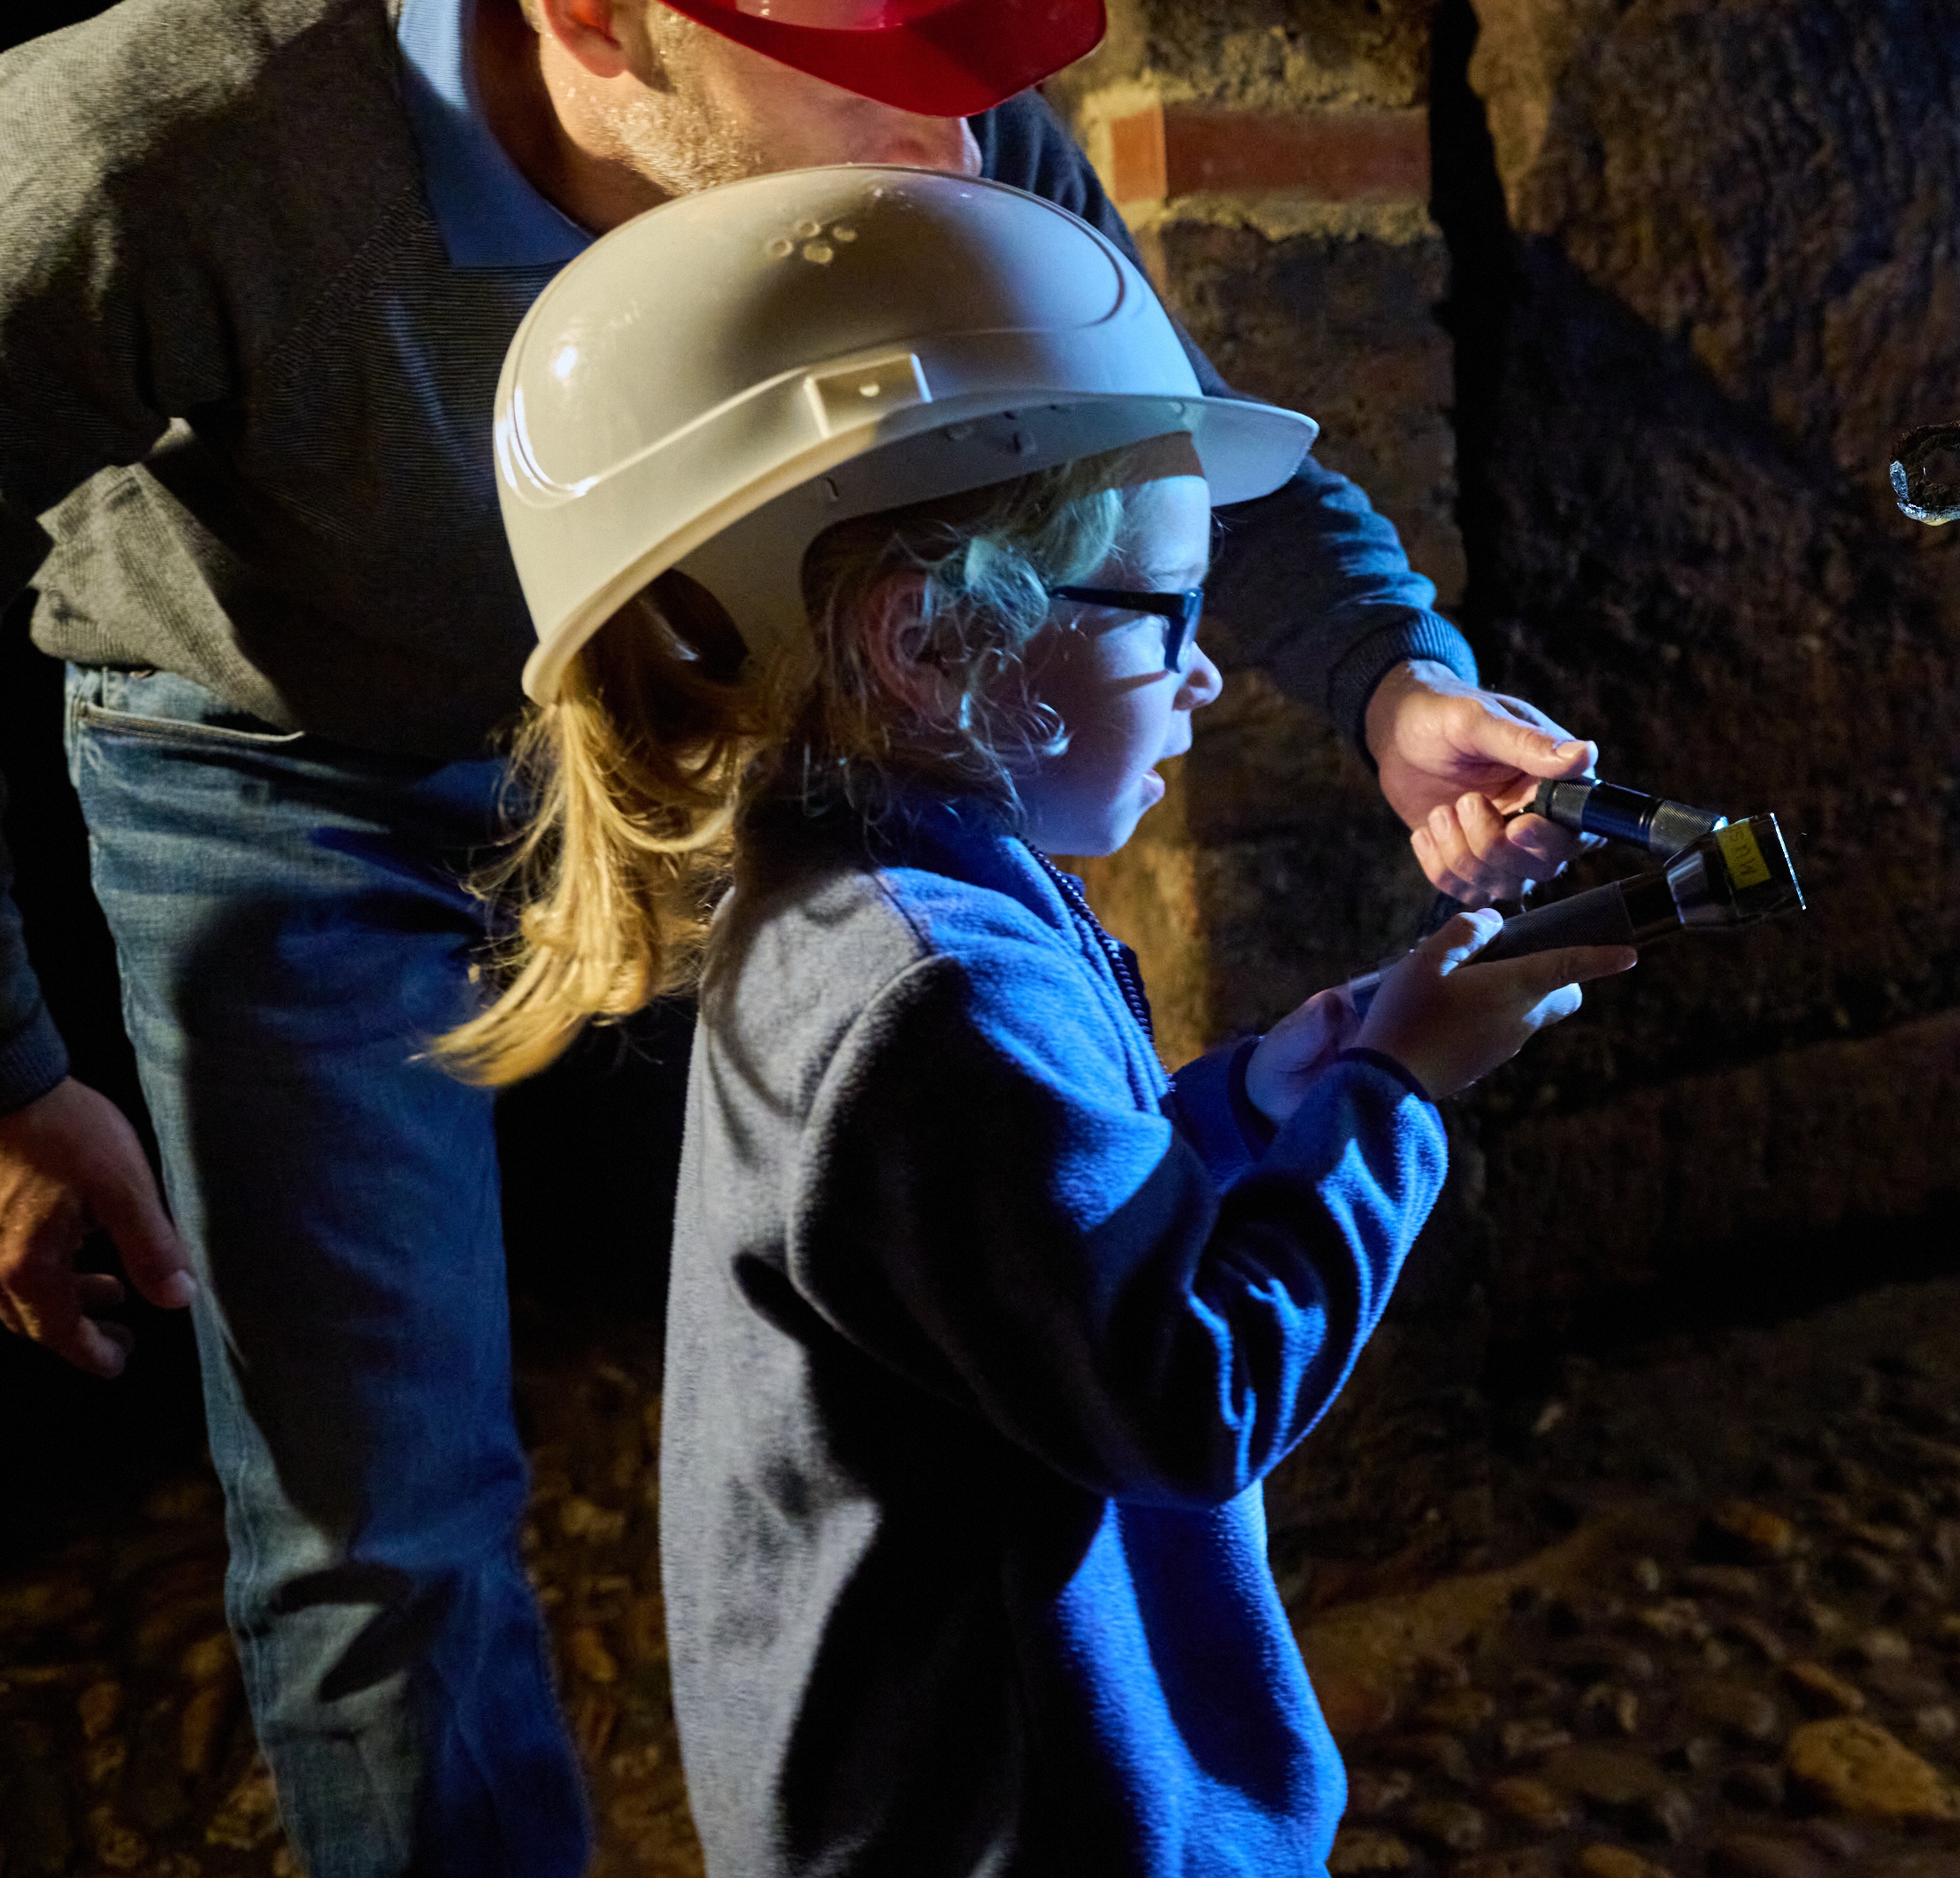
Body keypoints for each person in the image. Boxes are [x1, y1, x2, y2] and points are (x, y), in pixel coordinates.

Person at [0, 0, 1582, 1876]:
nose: (967, 141)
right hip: (280, 771)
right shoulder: (149, 166)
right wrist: (11, 1082)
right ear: (597, 6)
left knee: (818, 1364)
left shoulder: (935, 131)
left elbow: (1147, 438)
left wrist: (1389, 683)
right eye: (876, 59)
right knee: (377, 1520)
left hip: (726, 730)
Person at [451, 163, 1633, 1875]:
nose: (1213, 673)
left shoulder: (882, 889)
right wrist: (1393, 1097)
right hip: (1026, 1817)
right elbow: (1179, 1394)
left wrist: (1253, 1102)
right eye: (1166, 614)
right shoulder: (935, 990)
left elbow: (1025, 1261)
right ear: (934, 645)